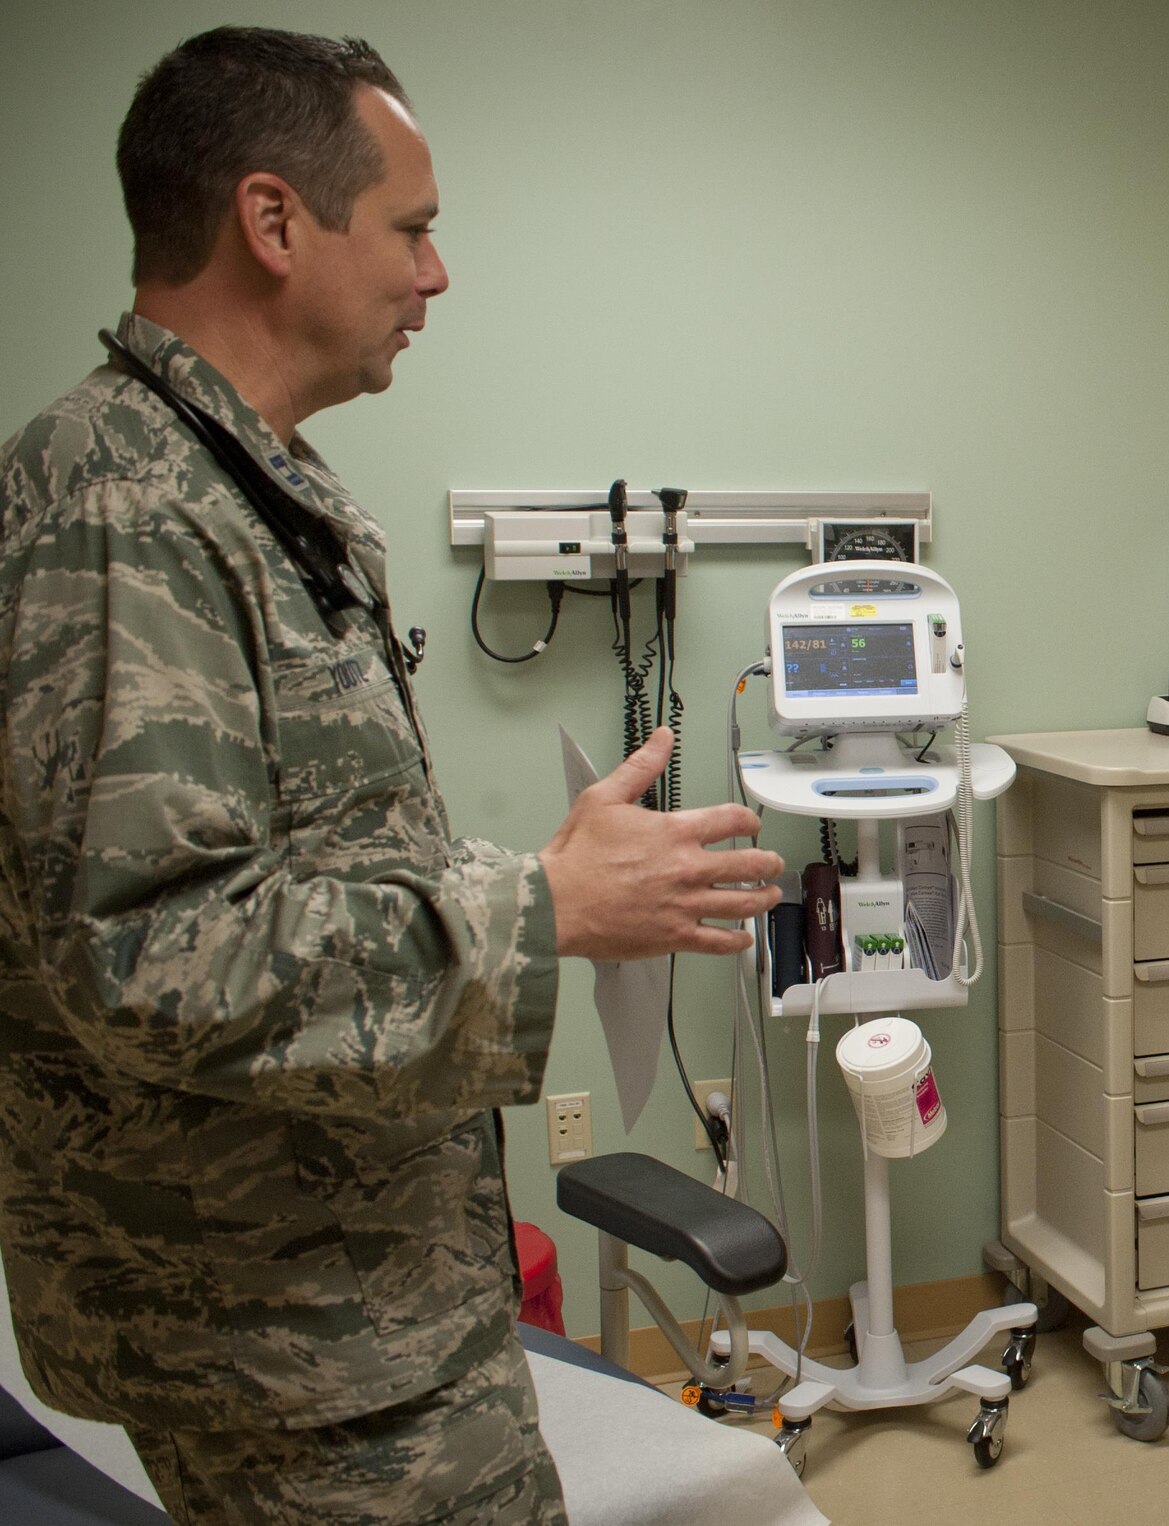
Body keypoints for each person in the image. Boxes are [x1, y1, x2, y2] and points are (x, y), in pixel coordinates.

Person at [0, 26, 783, 1524]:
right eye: (414, 230)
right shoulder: (122, 512)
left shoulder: (239, 487)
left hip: (348, 1303)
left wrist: (536, 885)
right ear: (274, 220)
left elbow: (282, 866)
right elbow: (147, 951)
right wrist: (536, 903)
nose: (438, 277)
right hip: (289, 1346)